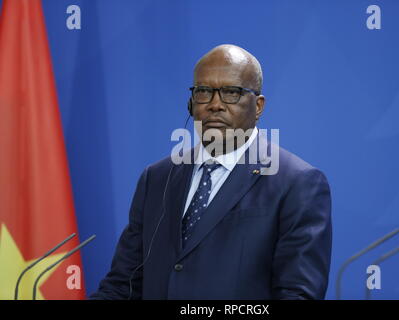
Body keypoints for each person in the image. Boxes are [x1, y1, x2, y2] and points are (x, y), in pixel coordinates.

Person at [90, 44, 332, 300]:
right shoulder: (157, 178)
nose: (215, 105)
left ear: (258, 106)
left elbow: (298, 294)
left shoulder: (297, 183)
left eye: (231, 92)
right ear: (191, 103)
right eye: (204, 91)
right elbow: (122, 286)